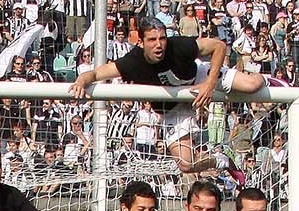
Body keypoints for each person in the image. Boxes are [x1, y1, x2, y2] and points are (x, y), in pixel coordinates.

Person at [68, 22, 262, 172]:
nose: (158, 44)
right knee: (186, 164)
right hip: (172, 107)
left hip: (201, 78)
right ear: (140, 42)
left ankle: (271, 81)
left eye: (162, 38)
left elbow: (218, 46)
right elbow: (95, 73)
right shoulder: (132, 62)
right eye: (152, 40)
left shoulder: (178, 45)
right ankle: (222, 160)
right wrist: (81, 81)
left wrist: (209, 84)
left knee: (252, 85)